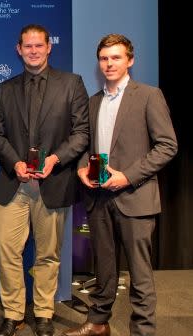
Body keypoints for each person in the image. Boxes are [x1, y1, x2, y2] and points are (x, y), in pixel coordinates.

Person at [62, 34, 177, 336]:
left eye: (116, 57)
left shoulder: (149, 96)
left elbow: (167, 146)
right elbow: (85, 146)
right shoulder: (93, 101)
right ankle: (99, 323)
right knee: (104, 269)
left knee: (139, 274)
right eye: (104, 58)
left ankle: (143, 331)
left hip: (136, 197)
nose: (109, 63)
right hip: (98, 199)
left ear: (130, 60)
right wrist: (81, 169)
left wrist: (127, 176)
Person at [0, 24, 89, 336]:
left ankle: (44, 313)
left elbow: (81, 133)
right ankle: (13, 313)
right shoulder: (5, 89)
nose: (33, 51)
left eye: (39, 46)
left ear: (49, 47)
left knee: (48, 255)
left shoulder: (72, 84)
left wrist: (54, 159)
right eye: (27, 46)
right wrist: (15, 162)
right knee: (7, 251)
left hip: (54, 182)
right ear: (19, 50)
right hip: (13, 184)